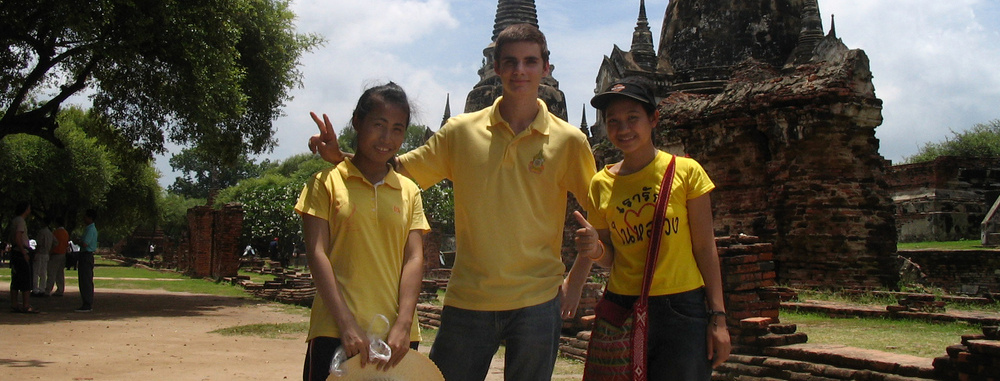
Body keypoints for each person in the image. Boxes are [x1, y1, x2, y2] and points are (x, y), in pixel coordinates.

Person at [309, 24, 597, 381]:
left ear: (546, 68)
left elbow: (600, 216)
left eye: (529, 61)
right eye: (509, 62)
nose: (519, 71)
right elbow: (397, 168)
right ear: (495, 65)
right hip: (469, 297)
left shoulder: (570, 141)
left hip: (538, 299)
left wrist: (576, 281)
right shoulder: (461, 132)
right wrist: (344, 158)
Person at [564, 77, 731, 380]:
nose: (623, 129)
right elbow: (610, 257)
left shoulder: (686, 172)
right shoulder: (601, 183)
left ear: (653, 119)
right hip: (621, 304)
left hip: (681, 305)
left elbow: (705, 247)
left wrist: (718, 318)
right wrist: (593, 248)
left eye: (632, 118)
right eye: (613, 121)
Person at [296, 82, 429, 381]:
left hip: (396, 337)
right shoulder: (325, 183)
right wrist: (346, 325)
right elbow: (317, 254)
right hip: (335, 330)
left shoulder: (409, 191)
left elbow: (414, 259)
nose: (386, 138)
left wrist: (404, 325)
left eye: (397, 129)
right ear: (357, 122)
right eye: (378, 125)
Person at [8, 202, 37, 313]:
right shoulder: (20, 221)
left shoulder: (15, 220)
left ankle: (14, 303)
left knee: (15, 279)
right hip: (20, 252)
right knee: (25, 278)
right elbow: (18, 237)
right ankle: (26, 305)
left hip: (16, 252)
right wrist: (24, 252)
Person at [76, 209, 98, 313]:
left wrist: (78, 241)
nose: (84, 218)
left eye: (86, 217)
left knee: (86, 279)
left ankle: (87, 303)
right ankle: (86, 301)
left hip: (86, 255)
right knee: (84, 279)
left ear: (90, 218)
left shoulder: (90, 229)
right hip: (85, 255)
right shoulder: (88, 229)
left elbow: (85, 244)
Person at [32, 216, 55, 297]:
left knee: (36, 272)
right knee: (43, 272)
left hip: (40, 253)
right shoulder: (50, 232)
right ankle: (42, 289)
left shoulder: (42, 232)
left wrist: (35, 252)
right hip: (46, 254)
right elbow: (55, 243)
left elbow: (39, 244)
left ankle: (35, 289)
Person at [47, 217, 70, 296]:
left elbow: (53, 243)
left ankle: (48, 289)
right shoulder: (66, 233)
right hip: (63, 254)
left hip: (55, 254)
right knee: (60, 273)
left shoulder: (55, 232)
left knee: (52, 273)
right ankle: (60, 289)